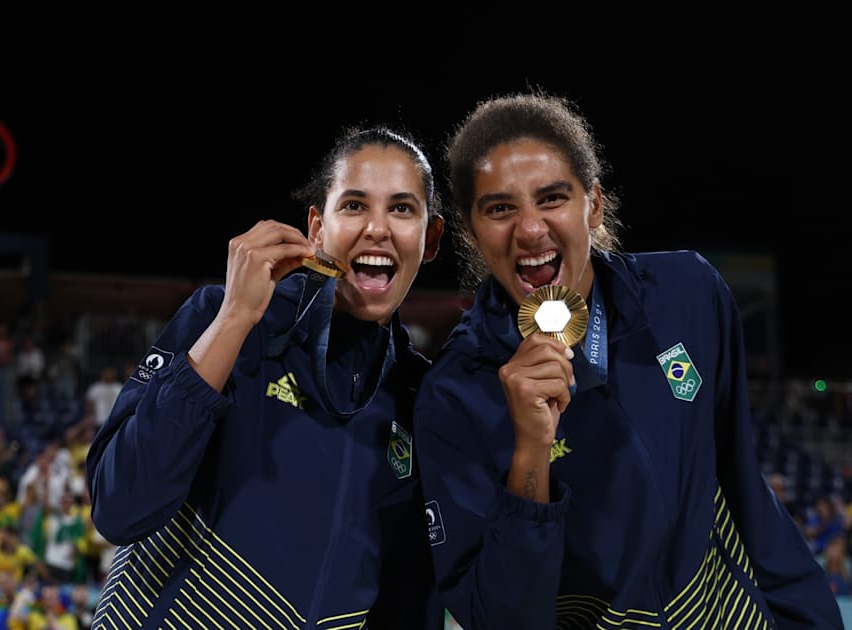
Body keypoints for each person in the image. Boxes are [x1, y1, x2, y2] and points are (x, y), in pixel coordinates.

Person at [411, 90, 842, 628]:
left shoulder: (689, 294)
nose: (530, 229)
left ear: (592, 204)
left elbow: (745, 490)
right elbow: (501, 617)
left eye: (552, 198)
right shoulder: (454, 397)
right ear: (473, 232)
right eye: (501, 208)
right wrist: (530, 451)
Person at [86, 125, 446, 628]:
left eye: (402, 209)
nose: (377, 228)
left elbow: (405, 603)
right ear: (317, 229)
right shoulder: (226, 321)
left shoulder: (418, 398)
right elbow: (119, 507)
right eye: (354, 205)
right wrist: (234, 319)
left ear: (430, 239)